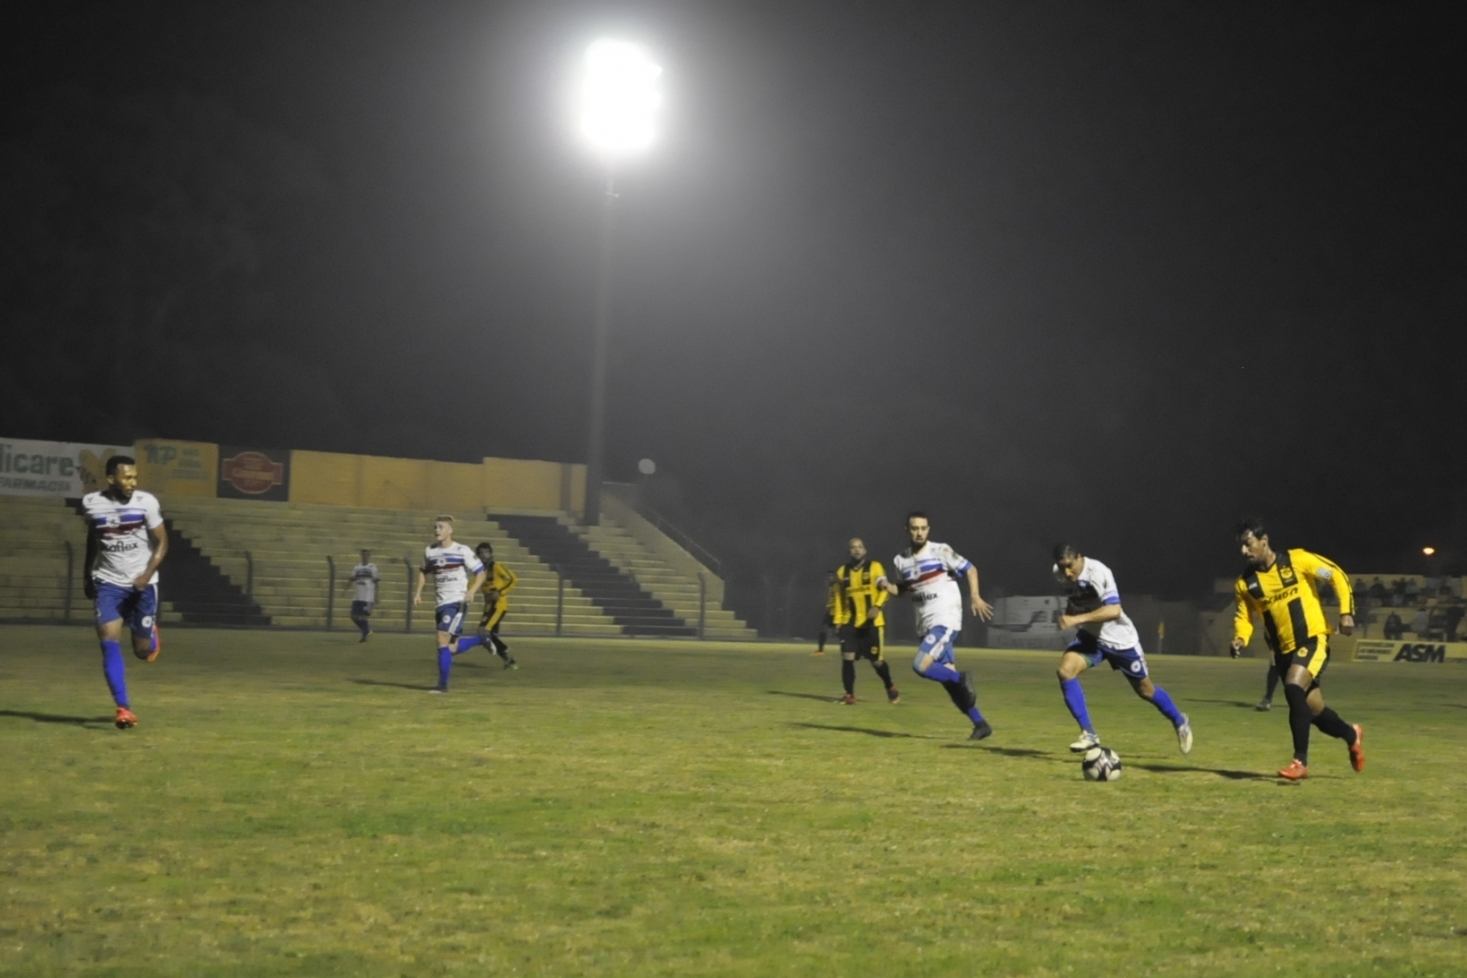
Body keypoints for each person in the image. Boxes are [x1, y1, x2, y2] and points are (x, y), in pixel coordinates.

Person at [1230, 518, 1364, 781]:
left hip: (1312, 641)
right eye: (1241, 546)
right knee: (1315, 712)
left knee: (1293, 686)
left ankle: (1299, 761)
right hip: (1283, 653)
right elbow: (1244, 618)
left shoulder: (1297, 560)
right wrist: (1240, 639)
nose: (1244, 552)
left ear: (1264, 541)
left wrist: (1346, 612)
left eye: (1248, 544)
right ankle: (1352, 735)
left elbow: (1334, 574)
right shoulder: (1246, 584)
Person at [1052, 545, 1192, 754]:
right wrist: (1070, 614)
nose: (1067, 573)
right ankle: (1089, 734)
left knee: (1146, 691)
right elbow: (1077, 599)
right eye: (1062, 568)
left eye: (1070, 566)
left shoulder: (1099, 572)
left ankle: (1179, 721)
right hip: (1092, 637)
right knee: (1065, 671)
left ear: (1079, 557)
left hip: (1120, 641)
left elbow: (1115, 610)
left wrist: (1076, 619)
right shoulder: (1060, 574)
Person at [877, 511, 994, 739]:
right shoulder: (900, 560)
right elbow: (903, 589)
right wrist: (885, 585)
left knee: (921, 665)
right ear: (907, 531)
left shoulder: (940, 550)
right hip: (925, 624)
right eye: (914, 528)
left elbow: (970, 568)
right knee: (949, 683)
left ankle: (962, 678)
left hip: (945, 618)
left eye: (923, 528)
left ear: (928, 530)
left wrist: (976, 596)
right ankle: (980, 724)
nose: (919, 532)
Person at [81, 455, 169, 729]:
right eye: (127, 477)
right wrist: (87, 573)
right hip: (108, 582)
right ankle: (124, 708)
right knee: (108, 641)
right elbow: (93, 538)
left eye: (135, 477)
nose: (133, 482)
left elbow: (163, 541)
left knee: (142, 652)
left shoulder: (146, 503)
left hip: (143, 584)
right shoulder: (91, 504)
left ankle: (149, 634)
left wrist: (145, 574)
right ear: (111, 479)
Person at [413, 516, 486, 693]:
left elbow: (481, 572)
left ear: (450, 530)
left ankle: (442, 686)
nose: (437, 530)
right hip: (440, 603)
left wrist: (471, 591)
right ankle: (482, 639)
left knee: (441, 639)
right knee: (450, 646)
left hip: (457, 601)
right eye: (435, 527)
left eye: (441, 527)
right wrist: (418, 592)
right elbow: (423, 571)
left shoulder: (462, 550)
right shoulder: (430, 551)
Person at [834, 537, 899, 704]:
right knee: (847, 657)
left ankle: (889, 685)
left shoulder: (875, 567)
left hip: (872, 624)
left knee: (877, 662)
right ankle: (849, 694)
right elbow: (839, 597)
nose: (856, 550)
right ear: (849, 551)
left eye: (860, 547)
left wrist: (877, 606)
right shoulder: (842, 572)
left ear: (865, 550)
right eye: (853, 547)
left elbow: (884, 588)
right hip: (850, 622)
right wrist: (838, 620)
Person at [455, 542, 520, 668]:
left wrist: (500, 592)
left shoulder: (496, 566)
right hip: (489, 606)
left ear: (491, 553)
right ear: (478, 556)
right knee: (485, 633)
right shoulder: (479, 572)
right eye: (481, 553)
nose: (484, 555)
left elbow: (513, 579)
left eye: (487, 552)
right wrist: (462, 593)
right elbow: (471, 585)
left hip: (498, 605)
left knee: (484, 631)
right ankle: (509, 659)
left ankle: (506, 653)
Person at [348, 549, 380, 642]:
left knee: (363, 616)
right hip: (357, 596)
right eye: (363, 555)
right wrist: (346, 589)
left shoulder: (372, 567)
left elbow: (376, 582)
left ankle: (364, 635)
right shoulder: (357, 567)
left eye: (367, 555)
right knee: (353, 616)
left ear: (369, 556)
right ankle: (366, 630)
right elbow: (352, 578)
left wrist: (377, 596)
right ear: (361, 556)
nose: (365, 557)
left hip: (367, 597)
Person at [814, 571, 840, 656]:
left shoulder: (837, 586)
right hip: (830, 611)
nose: (830, 578)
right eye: (829, 576)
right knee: (823, 629)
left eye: (832, 576)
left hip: (837, 612)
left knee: (842, 632)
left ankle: (854, 650)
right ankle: (820, 650)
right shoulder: (830, 586)